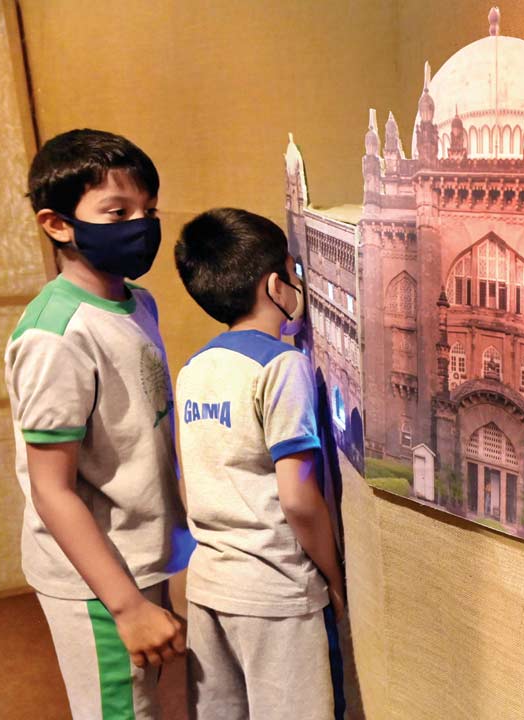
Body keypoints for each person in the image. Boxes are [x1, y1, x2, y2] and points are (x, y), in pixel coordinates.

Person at [5, 128, 187, 719]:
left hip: (138, 556)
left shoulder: (138, 302)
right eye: (117, 211)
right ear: (58, 224)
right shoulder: (55, 337)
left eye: (148, 210)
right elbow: (51, 489)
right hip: (96, 579)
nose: (140, 224)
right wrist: (127, 606)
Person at [174, 208, 346, 719]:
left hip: (209, 582)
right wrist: (334, 577)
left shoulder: (195, 367)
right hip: (275, 589)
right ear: (277, 284)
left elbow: (192, 480)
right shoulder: (282, 365)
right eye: (295, 275)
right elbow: (297, 497)